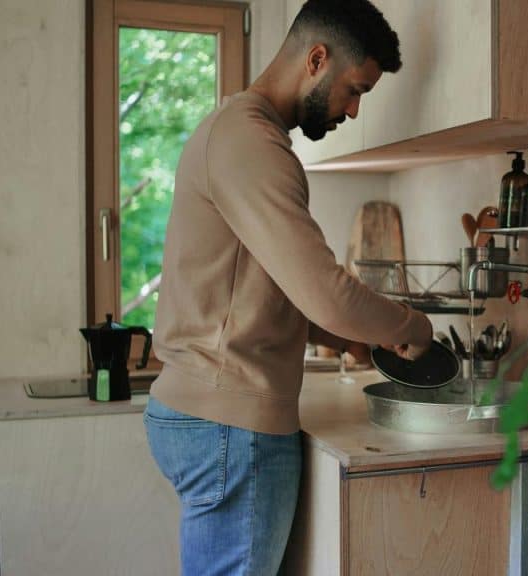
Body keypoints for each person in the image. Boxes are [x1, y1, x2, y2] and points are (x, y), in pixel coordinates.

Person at [143, 1, 432, 574]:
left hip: (208, 413)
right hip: (230, 423)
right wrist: (411, 325)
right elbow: (325, 289)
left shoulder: (236, 133)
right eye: (355, 90)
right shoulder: (250, 143)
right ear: (316, 58)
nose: (352, 110)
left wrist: (348, 339)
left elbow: (268, 288)